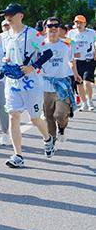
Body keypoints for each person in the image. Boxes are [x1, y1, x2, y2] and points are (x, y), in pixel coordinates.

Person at [0, 3, 56, 168]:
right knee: (13, 116)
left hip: (32, 83)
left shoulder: (32, 34)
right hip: (13, 83)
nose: (7, 17)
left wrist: (33, 66)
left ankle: (48, 138)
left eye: (10, 14)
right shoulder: (5, 36)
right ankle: (18, 155)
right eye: (5, 15)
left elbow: (48, 53)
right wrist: (4, 65)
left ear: (20, 15)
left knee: (34, 119)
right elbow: (6, 56)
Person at [41, 17, 78, 145]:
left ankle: (61, 129)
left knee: (60, 115)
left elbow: (71, 61)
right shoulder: (40, 45)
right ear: (45, 29)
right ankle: (51, 141)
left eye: (56, 26)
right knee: (49, 117)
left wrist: (76, 74)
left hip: (62, 84)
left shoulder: (67, 44)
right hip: (45, 85)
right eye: (50, 26)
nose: (53, 28)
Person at [67, 15, 96, 111]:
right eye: (76, 22)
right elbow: (67, 44)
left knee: (87, 82)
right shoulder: (71, 33)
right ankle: (84, 103)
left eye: (80, 22)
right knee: (79, 83)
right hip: (77, 62)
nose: (78, 24)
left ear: (85, 24)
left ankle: (90, 101)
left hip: (89, 60)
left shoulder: (91, 33)